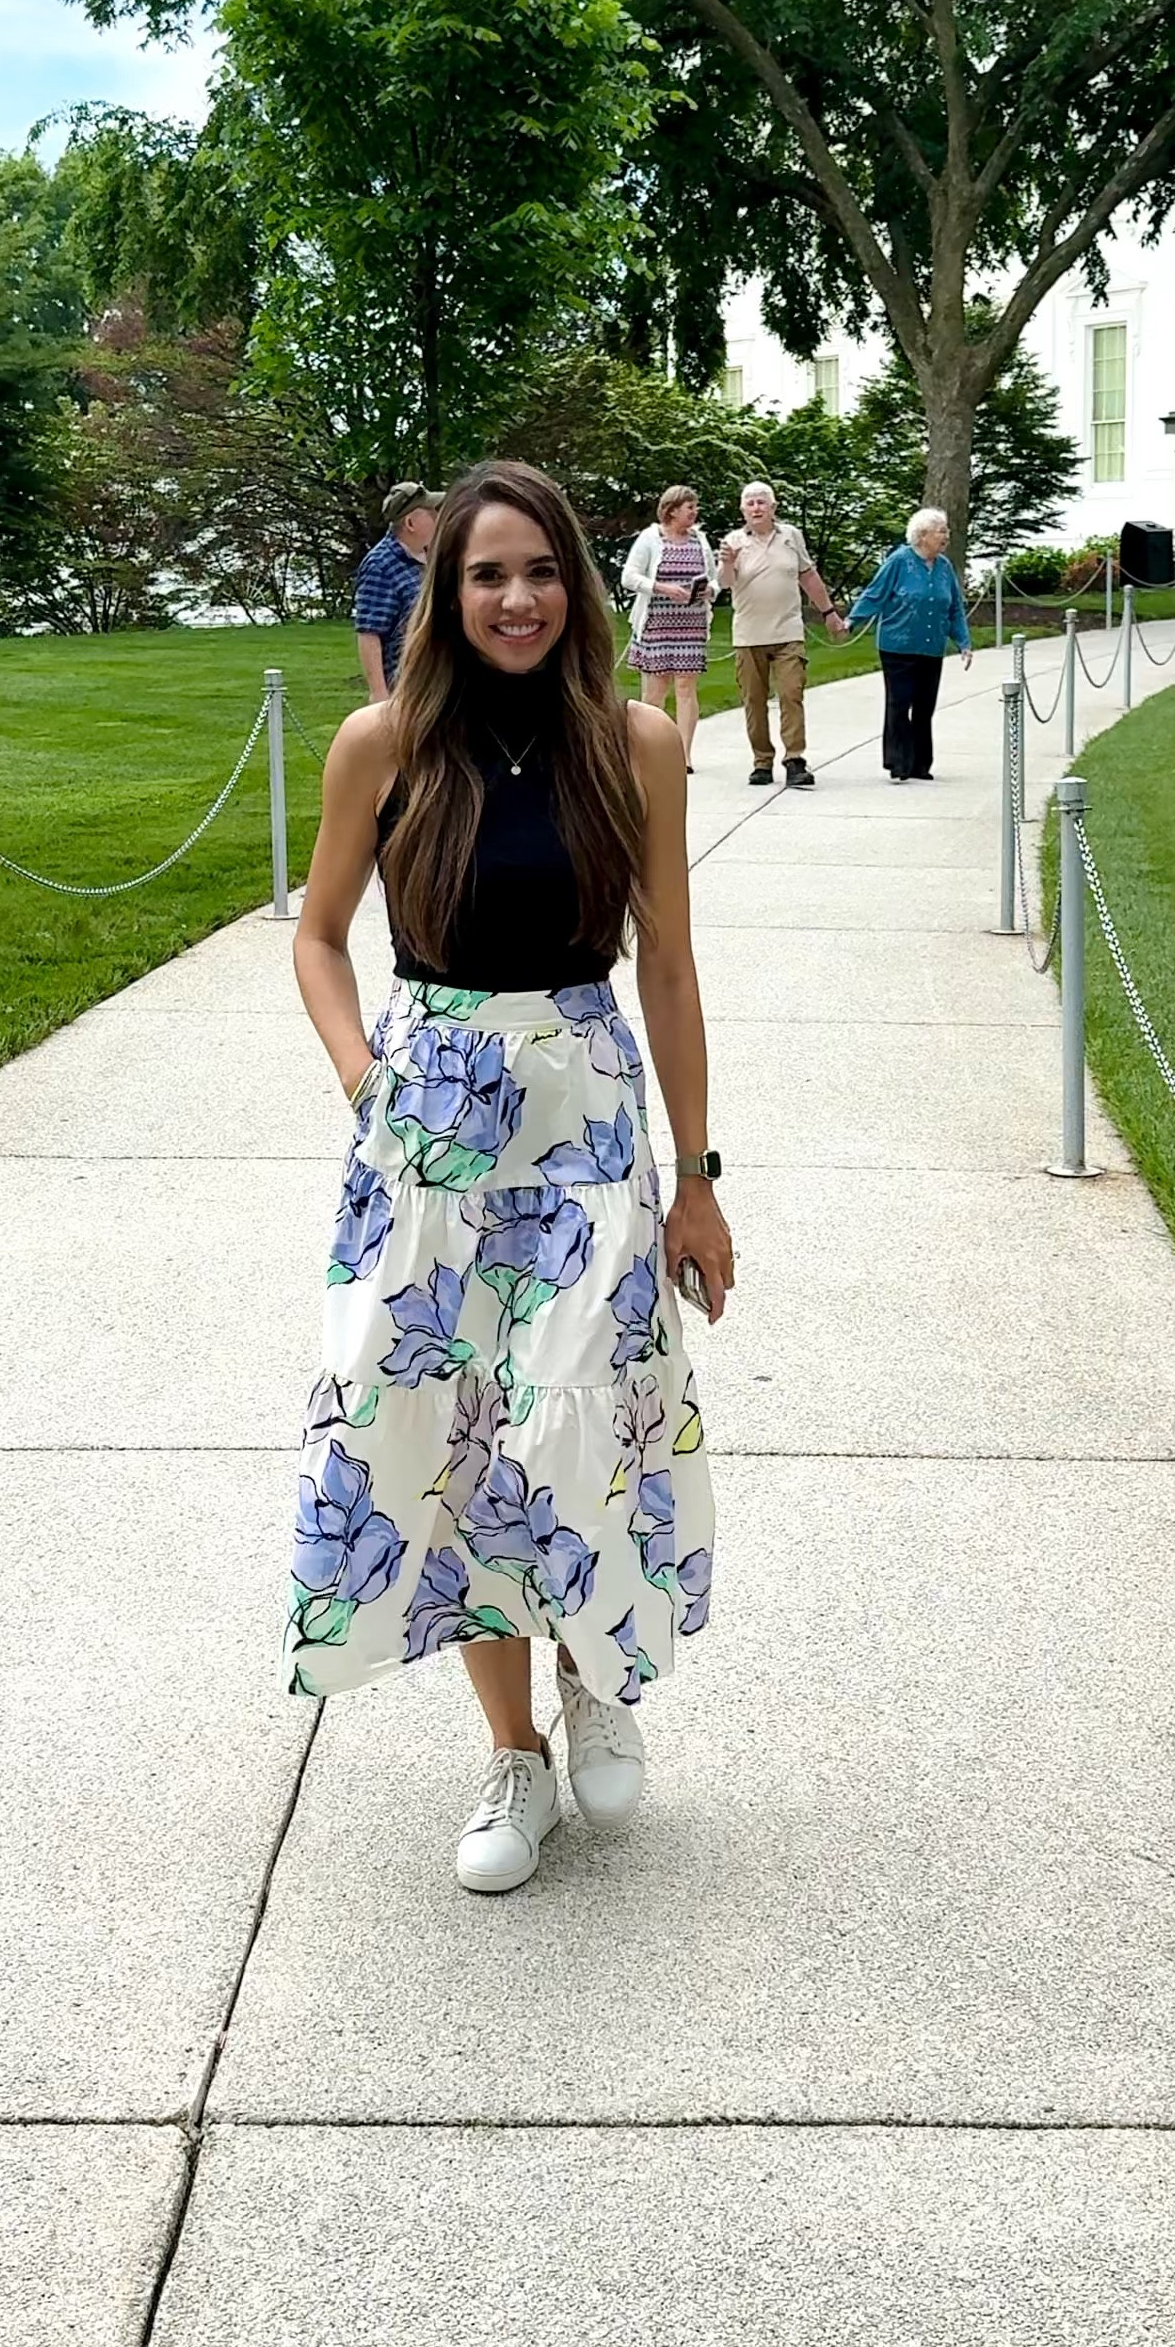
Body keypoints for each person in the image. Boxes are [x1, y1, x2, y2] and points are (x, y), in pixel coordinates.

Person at [289, 460, 734, 1895]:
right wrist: (367, 1083)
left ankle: (596, 1675)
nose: (518, 598)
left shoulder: (635, 745)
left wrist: (698, 1180)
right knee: (458, 1432)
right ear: (449, 590)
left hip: (586, 1120)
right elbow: (319, 937)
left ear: (576, 587)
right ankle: (513, 1754)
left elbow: (669, 969)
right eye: (488, 574)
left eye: (540, 571)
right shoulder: (383, 745)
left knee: (581, 1415)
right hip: (430, 1135)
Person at [717, 481, 847, 789]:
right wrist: (727, 563)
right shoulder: (733, 541)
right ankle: (762, 761)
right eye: (750, 503)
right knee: (754, 700)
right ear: (742, 510)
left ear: (773, 507)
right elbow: (724, 583)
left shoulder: (791, 536)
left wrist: (829, 613)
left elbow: (808, 575)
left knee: (791, 693)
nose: (756, 508)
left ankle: (795, 759)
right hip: (749, 635)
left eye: (762, 502)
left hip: (788, 631)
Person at [851, 507, 973, 780]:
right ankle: (898, 762)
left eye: (946, 531)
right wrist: (852, 621)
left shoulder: (944, 567)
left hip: (931, 647)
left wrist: (963, 642)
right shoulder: (899, 561)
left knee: (924, 706)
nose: (946, 536)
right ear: (922, 535)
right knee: (899, 703)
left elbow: (954, 608)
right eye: (941, 531)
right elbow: (875, 593)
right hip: (897, 646)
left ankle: (920, 765)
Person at [621, 483, 719, 764]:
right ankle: (651, 753)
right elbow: (629, 577)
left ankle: (683, 756)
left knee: (686, 687)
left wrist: (709, 590)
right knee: (655, 691)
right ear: (672, 510)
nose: (695, 512)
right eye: (690, 507)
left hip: (692, 624)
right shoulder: (650, 538)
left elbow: (714, 579)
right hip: (657, 624)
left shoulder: (700, 540)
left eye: (695, 507)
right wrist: (662, 588)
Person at [352, 480, 439, 700]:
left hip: (434, 682)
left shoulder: (428, 556)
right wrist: (379, 694)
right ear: (410, 523)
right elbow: (369, 633)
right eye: (431, 512)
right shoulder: (380, 565)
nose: (438, 517)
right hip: (405, 690)